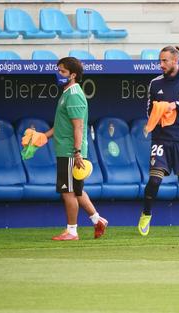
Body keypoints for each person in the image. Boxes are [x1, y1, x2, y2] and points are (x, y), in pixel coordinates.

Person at [138, 46, 179, 238]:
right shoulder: (154, 83)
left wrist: (176, 105)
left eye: (165, 61)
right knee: (155, 180)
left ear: (175, 60)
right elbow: (149, 111)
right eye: (160, 61)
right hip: (161, 139)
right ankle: (146, 213)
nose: (161, 64)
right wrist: (160, 112)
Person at [44, 57, 108, 241]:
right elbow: (61, 125)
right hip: (68, 150)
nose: (59, 74)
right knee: (77, 191)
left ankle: (72, 232)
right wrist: (42, 137)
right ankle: (98, 220)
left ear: (73, 75)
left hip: (70, 152)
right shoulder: (67, 93)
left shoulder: (74, 95)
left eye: (62, 71)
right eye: (58, 70)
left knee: (68, 192)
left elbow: (78, 127)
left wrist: (77, 152)